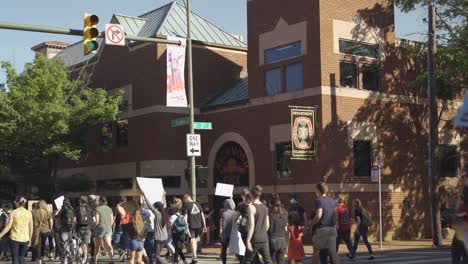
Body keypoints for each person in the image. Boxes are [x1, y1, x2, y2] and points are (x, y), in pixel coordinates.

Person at [310, 183, 340, 264]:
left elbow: (318, 215)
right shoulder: (332, 200)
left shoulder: (318, 200)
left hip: (322, 229)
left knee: (316, 251)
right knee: (333, 252)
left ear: (318, 190)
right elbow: (336, 215)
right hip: (332, 228)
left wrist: (311, 224)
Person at [0, 196, 33, 264]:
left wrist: (0, 235)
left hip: (14, 238)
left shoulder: (13, 212)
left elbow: (8, 226)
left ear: (17, 203)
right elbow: (31, 227)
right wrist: (30, 238)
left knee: (15, 258)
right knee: (21, 257)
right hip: (25, 239)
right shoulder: (29, 213)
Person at [245, 185, 272, 264]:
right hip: (264, 238)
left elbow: (251, 225)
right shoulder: (265, 207)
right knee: (268, 261)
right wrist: (261, 231)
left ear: (251, 195)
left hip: (255, 239)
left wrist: (248, 240)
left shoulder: (251, 207)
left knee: (248, 261)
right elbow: (267, 225)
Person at [141, 190, 169, 264]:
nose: (154, 208)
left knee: (157, 256)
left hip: (158, 238)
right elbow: (164, 204)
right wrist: (164, 196)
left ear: (157, 208)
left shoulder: (157, 214)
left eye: (155, 207)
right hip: (165, 237)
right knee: (158, 253)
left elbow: (149, 205)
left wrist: (144, 195)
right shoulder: (165, 214)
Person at [182, 194, 207, 264]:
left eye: (184, 200)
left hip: (191, 225)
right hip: (199, 225)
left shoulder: (186, 205)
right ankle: (194, 257)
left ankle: (195, 257)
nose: (184, 202)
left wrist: (186, 227)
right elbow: (203, 216)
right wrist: (204, 226)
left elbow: (185, 217)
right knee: (194, 241)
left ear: (186, 198)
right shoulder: (198, 205)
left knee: (192, 240)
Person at [93, 197, 114, 264]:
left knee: (97, 246)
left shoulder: (97, 209)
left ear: (99, 202)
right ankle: (111, 259)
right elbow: (112, 220)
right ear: (106, 202)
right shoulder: (109, 209)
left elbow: (97, 221)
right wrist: (108, 226)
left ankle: (95, 260)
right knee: (109, 245)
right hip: (108, 228)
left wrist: (94, 227)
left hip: (100, 228)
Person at [74, 195, 94, 264]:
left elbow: (74, 220)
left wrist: (74, 227)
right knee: (85, 244)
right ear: (87, 201)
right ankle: (85, 259)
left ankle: (79, 256)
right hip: (88, 228)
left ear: (80, 201)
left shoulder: (77, 209)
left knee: (79, 244)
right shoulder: (90, 209)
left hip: (79, 228)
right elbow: (94, 220)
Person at [269, 199, 288, 264]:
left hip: (274, 239)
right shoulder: (285, 213)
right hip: (283, 240)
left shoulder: (272, 214)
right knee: (281, 260)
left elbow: (271, 229)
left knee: (271, 259)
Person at [219, 198, 237, 264]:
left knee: (224, 250)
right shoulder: (235, 213)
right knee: (236, 248)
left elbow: (222, 224)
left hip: (225, 234)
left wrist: (221, 233)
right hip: (233, 234)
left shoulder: (224, 214)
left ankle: (224, 262)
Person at [58, 198, 74, 263]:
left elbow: (59, 219)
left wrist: (59, 225)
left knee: (64, 243)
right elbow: (74, 219)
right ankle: (71, 258)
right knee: (70, 243)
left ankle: (65, 259)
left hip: (64, 228)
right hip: (70, 228)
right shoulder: (72, 209)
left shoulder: (62, 210)